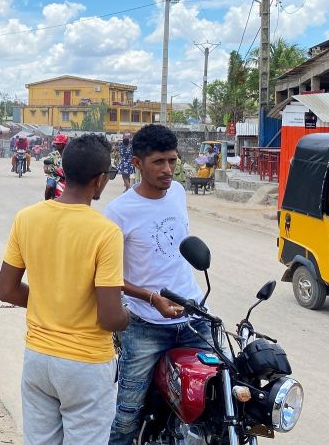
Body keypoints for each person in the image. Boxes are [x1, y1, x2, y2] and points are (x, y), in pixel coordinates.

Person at [0, 134, 127, 444]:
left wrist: (48, 301)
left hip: (39, 359)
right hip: (87, 364)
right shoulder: (106, 232)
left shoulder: (27, 218)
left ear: (63, 171)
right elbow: (110, 318)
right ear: (99, 181)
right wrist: (129, 317)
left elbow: (7, 290)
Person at [104, 124, 210, 445]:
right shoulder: (118, 212)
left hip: (193, 317)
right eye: (159, 163)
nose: (168, 170)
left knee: (218, 395)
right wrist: (151, 298)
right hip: (145, 325)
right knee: (127, 415)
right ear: (137, 164)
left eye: (173, 161)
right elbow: (107, 276)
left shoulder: (177, 192)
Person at [43, 134, 68, 200]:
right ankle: (46, 203)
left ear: (64, 144)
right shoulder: (52, 154)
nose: (56, 145)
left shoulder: (69, 154)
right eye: (56, 143)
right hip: (54, 176)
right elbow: (46, 163)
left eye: (59, 144)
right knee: (49, 186)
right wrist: (46, 168)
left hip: (67, 178)